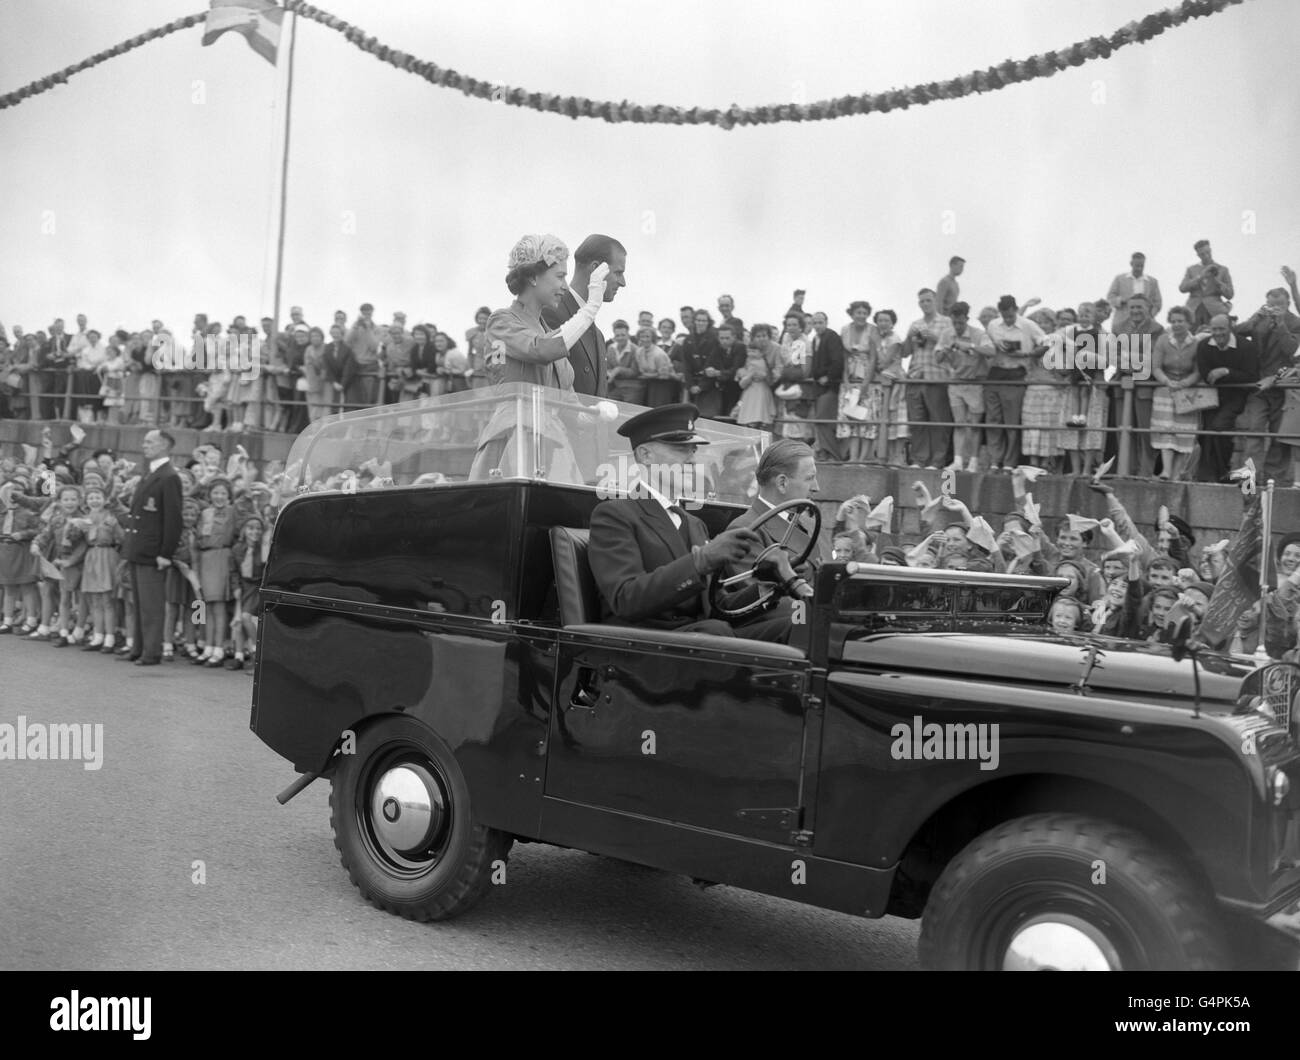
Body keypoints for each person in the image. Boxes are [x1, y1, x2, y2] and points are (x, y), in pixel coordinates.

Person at [587, 404, 799, 643]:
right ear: (645, 455)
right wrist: (701, 561)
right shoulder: (615, 515)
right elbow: (626, 599)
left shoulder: (694, 523)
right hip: (647, 646)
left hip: (700, 640)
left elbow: (717, 605)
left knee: (799, 625)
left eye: (693, 449)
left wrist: (769, 586)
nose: (692, 458)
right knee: (716, 632)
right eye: (680, 448)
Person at [468, 234, 608, 481]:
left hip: (553, 443)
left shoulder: (548, 333)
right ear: (533, 277)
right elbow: (541, 350)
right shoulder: (501, 323)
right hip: (515, 437)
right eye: (560, 276)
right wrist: (589, 309)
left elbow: (570, 408)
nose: (565, 286)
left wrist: (594, 414)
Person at [119, 429, 183, 665]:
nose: (144, 445)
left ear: (164, 445)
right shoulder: (151, 473)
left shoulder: (169, 476)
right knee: (140, 605)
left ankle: (152, 651)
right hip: (140, 548)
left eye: (149, 441)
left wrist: (166, 553)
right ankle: (138, 647)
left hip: (153, 552)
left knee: (152, 607)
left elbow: (173, 520)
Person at [541, 233, 627, 397]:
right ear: (596, 269)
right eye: (618, 272)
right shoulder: (550, 313)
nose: (623, 282)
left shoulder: (599, 336)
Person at [1236, 287, 1300, 488]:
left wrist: (1280, 324)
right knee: (1254, 431)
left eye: (1279, 304)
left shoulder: (1295, 323)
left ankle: (1275, 481)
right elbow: (1237, 332)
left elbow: (1291, 349)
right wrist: (1256, 317)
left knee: (1278, 437)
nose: (1275, 308)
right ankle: (1249, 479)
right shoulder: (1260, 319)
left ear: (1288, 303)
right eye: (1271, 304)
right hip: (1258, 386)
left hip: (1282, 388)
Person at [984, 295, 1047, 471]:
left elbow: (1047, 341)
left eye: (1011, 316)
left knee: (1011, 422)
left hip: (1016, 372)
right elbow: (987, 344)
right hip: (995, 372)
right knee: (993, 420)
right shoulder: (993, 325)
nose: (1008, 320)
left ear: (1015, 310)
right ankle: (995, 460)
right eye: (1005, 316)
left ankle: (1010, 462)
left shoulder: (1028, 325)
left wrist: (1028, 354)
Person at [1195, 314, 1260, 482]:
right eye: (1214, 329)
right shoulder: (1204, 346)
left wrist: (1225, 371)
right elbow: (1205, 373)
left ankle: (1224, 470)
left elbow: (1252, 376)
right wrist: (1231, 374)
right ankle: (1214, 474)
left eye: (1221, 329)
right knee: (1207, 432)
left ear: (1230, 328)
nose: (1217, 333)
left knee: (1220, 426)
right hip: (1211, 395)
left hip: (1236, 395)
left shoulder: (1246, 346)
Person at [936, 302, 994, 472]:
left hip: (975, 383)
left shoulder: (978, 334)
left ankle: (974, 462)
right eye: (955, 323)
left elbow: (991, 351)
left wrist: (971, 347)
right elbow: (937, 358)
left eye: (961, 322)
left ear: (967, 319)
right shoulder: (947, 334)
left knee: (974, 425)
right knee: (959, 423)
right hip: (956, 382)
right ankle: (958, 460)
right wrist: (946, 350)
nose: (958, 326)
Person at [1149, 307, 1202, 480]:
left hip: (1187, 391)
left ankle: (1177, 474)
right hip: (1166, 389)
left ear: (1188, 322)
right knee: (1166, 429)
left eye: (1181, 321)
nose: (1177, 324)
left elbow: (1198, 370)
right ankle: (1165, 470)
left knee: (1183, 433)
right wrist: (1167, 381)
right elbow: (1156, 367)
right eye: (1174, 321)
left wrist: (1186, 383)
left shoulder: (1196, 342)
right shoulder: (1163, 340)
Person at [903, 289, 953, 469]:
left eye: (928, 300)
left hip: (937, 375)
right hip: (916, 375)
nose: (925, 304)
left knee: (938, 420)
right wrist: (910, 336)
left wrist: (934, 337)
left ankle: (937, 460)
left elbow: (951, 345)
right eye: (922, 301)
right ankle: (919, 459)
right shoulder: (915, 323)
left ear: (935, 301)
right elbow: (905, 352)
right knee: (917, 421)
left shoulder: (946, 322)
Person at [807, 312, 845, 462]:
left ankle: (833, 454)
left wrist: (828, 377)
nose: (817, 325)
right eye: (815, 323)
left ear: (826, 322)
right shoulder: (816, 339)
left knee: (824, 420)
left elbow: (838, 361)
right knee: (821, 421)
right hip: (819, 387)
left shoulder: (832, 336)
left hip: (829, 387)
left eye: (820, 322)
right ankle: (824, 451)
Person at [1179, 239, 1234, 328]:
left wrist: (1217, 281)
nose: (1206, 256)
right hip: (1193, 309)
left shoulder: (1223, 269)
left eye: (1208, 252)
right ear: (1198, 255)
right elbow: (1182, 288)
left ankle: (1146, 340)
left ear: (1211, 250)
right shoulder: (1191, 269)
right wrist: (1200, 277)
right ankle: (1147, 341)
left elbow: (1230, 295)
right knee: (1192, 338)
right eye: (1202, 254)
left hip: (1215, 310)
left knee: (1214, 338)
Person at [1106, 252, 1163, 334]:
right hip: (1122, 322)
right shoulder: (1120, 279)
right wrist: (1122, 300)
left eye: (1142, 266)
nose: (1139, 268)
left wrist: (1151, 315)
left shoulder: (1152, 282)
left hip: (1145, 325)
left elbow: (1158, 303)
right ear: (1131, 264)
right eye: (1137, 266)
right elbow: (1110, 297)